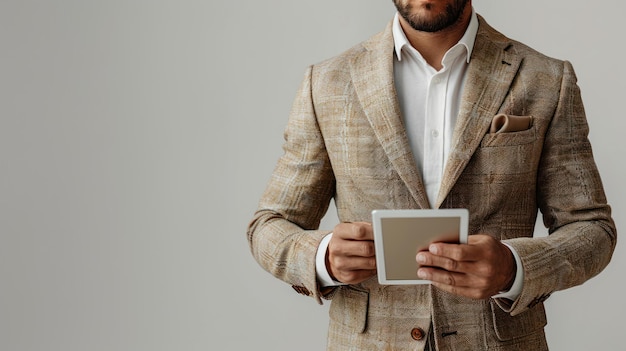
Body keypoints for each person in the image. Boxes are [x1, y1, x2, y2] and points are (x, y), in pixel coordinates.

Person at [247, 0, 617, 349]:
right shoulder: (326, 82)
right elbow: (269, 225)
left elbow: (592, 229)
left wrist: (514, 267)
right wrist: (321, 258)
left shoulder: (547, 79)